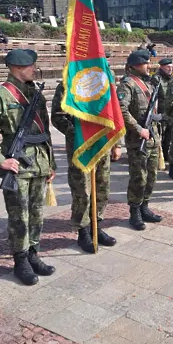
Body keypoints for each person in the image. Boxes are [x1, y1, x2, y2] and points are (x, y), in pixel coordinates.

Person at [0, 49, 57, 286]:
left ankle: (33, 255)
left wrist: (51, 163)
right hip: (17, 165)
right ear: (18, 68)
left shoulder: (36, 94)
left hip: (39, 163)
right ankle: (20, 261)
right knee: (19, 216)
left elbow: (45, 133)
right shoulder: (1, 94)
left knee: (37, 214)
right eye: (31, 66)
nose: (35, 69)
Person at [51, 83, 121, 254]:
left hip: (102, 145)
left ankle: (96, 226)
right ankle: (83, 231)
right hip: (80, 147)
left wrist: (116, 144)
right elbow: (57, 116)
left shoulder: (104, 85)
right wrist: (79, 134)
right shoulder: (68, 85)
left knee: (102, 187)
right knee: (82, 190)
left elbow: (113, 115)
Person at [117, 50, 163, 230]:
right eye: (146, 64)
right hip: (138, 140)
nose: (149, 66)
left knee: (151, 176)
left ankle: (145, 207)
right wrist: (138, 129)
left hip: (152, 137)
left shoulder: (149, 83)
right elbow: (122, 110)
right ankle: (134, 211)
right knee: (139, 178)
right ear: (136, 65)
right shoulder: (127, 85)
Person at [152, 58, 173, 164]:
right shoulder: (156, 78)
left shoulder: (171, 79)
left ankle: (166, 154)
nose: (170, 69)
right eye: (168, 67)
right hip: (160, 113)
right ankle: (159, 157)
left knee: (168, 136)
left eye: (171, 66)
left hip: (169, 113)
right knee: (160, 135)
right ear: (161, 67)